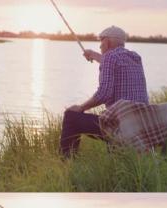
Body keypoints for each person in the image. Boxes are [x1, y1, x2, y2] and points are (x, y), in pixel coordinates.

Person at [60, 26, 149, 158]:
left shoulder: (109, 58)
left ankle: (66, 163)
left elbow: (104, 94)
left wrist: (81, 107)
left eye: (101, 42)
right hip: (140, 125)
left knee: (71, 116)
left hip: (119, 127)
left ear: (107, 42)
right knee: (105, 115)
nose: (100, 46)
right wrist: (95, 56)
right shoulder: (135, 57)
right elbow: (117, 63)